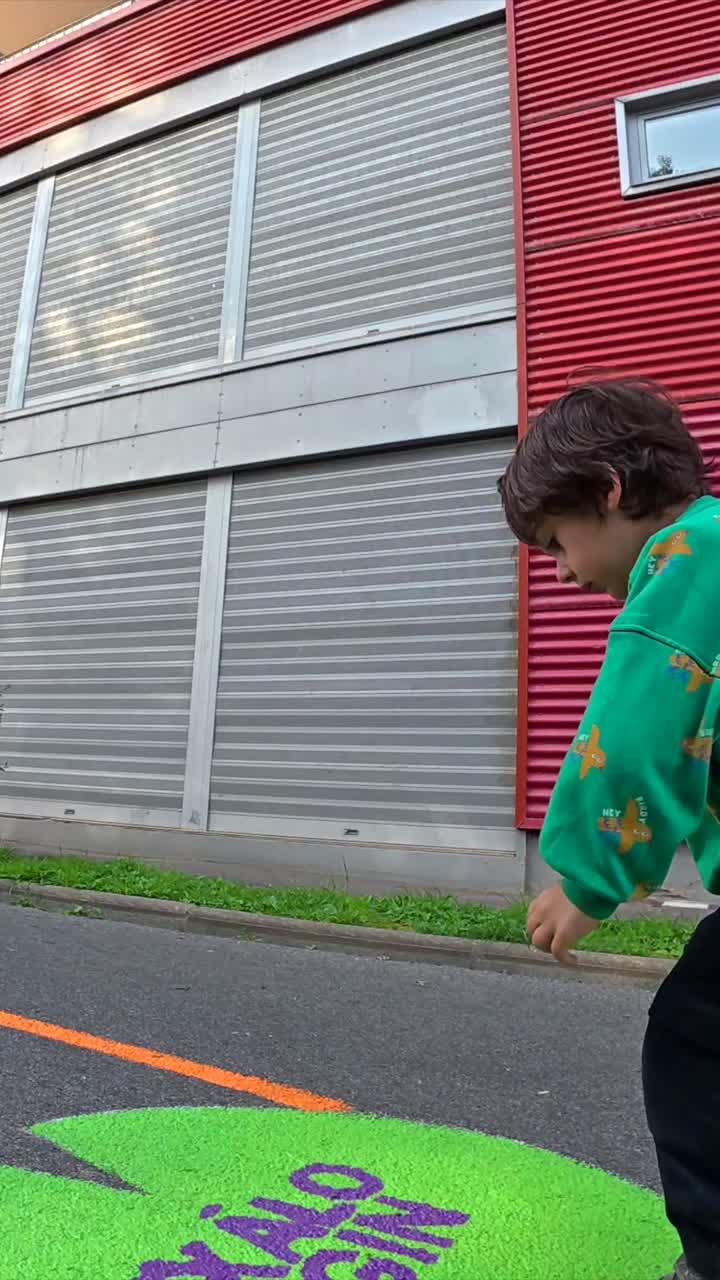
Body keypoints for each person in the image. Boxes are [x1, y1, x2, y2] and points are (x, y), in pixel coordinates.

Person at [498, 379, 720, 1280]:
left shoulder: (690, 558)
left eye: (557, 540)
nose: (558, 571)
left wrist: (589, 879)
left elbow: (635, 734)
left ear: (610, 490)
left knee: (696, 1045)